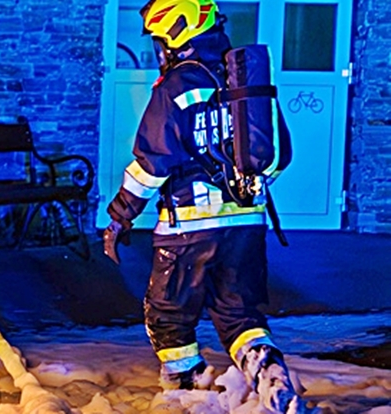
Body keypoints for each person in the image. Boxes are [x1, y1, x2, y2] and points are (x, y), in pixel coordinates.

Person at [103, 0, 304, 411]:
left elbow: (151, 165)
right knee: (239, 316)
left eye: (160, 41)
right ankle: (272, 379)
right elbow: (278, 156)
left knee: (168, 317)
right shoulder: (245, 82)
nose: (159, 50)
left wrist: (120, 217)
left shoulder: (174, 88)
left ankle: (186, 397)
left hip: (187, 228)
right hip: (247, 223)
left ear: (177, 35)